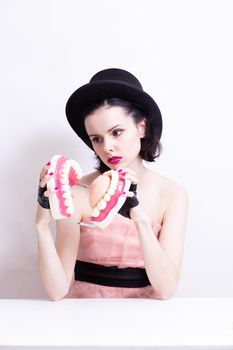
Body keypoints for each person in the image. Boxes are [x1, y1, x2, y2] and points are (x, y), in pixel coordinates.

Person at [35, 68, 189, 301]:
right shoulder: (78, 189)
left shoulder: (172, 193)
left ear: (141, 127)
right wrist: (41, 225)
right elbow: (57, 291)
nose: (107, 147)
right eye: (97, 138)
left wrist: (138, 218)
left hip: (145, 314)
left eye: (117, 132)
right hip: (84, 310)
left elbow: (166, 289)